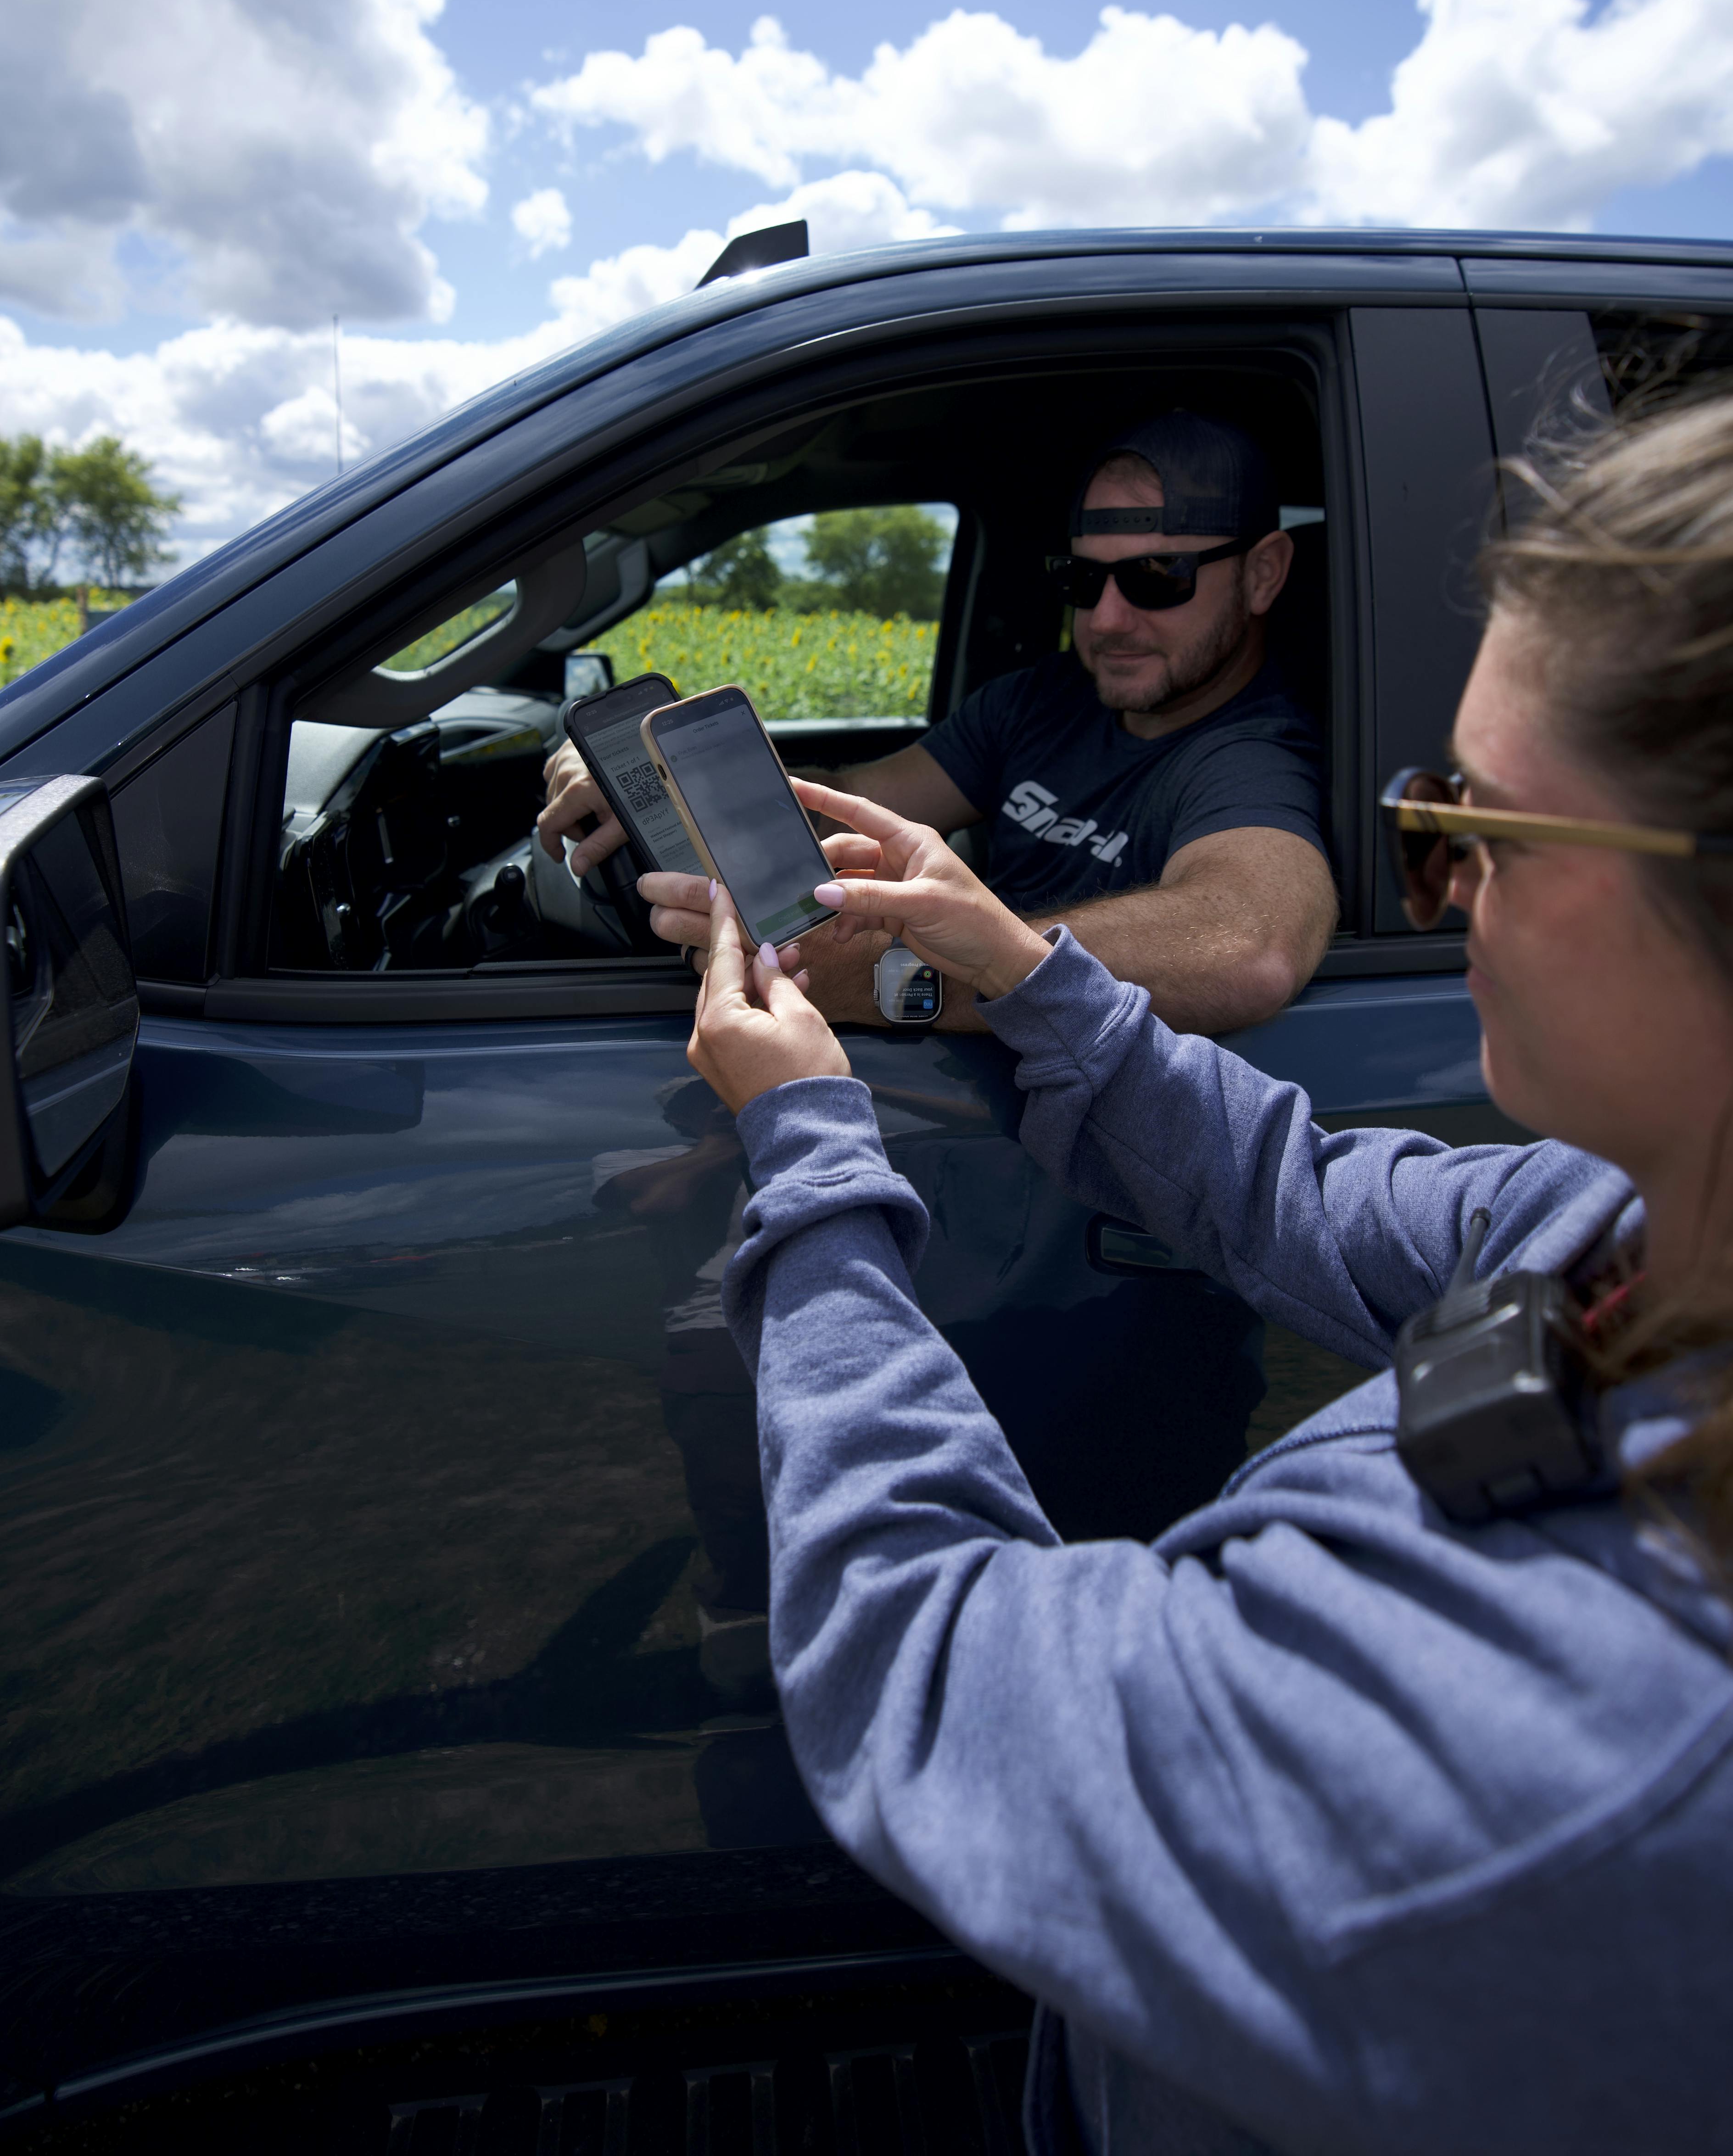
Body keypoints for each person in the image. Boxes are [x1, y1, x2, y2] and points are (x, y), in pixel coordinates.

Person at [674, 394, 1733, 2153]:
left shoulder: (1567, 1718)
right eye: (1429, 814)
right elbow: (1297, 1191)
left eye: (1484, 832)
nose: (1442, 886)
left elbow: (941, 1675)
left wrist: (811, 1157)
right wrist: (1020, 968)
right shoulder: (1611, 1227)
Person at [539, 411, 1337, 1034]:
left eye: (1158, 578)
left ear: (1263, 574)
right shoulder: (1046, 698)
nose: (1108, 619)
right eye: (1083, 580)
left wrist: (898, 977)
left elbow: (1248, 943)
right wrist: (662, 783)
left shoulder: (1253, 754)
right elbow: (850, 798)